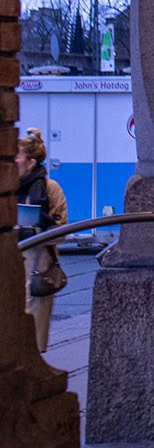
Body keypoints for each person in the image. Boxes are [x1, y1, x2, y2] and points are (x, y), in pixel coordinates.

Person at [16, 126, 68, 352]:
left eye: (16, 156)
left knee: (34, 328)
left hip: (38, 264)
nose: (11, 161)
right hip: (11, 260)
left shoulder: (49, 189)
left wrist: (37, 228)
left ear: (31, 162)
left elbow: (62, 230)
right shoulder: (6, 187)